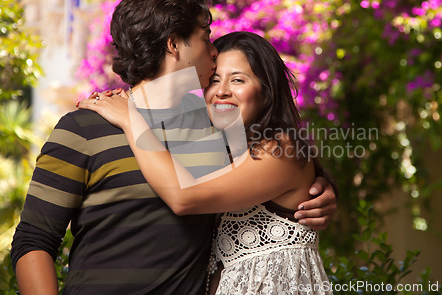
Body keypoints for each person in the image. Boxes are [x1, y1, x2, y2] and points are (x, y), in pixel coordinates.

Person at [10, 0, 336, 294]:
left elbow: (272, 177)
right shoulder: (84, 128)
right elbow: (34, 241)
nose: (213, 51)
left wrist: (320, 190)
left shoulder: (211, 134)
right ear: (174, 44)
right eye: (205, 37)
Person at [78, 31, 336, 294]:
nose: (222, 91)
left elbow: (184, 198)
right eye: (214, 80)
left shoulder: (281, 147)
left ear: (266, 92)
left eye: (237, 80)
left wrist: (131, 119)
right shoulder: (219, 148)